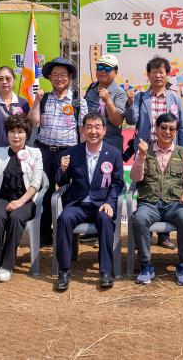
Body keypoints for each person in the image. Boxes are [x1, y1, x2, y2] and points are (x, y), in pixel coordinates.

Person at [53, 113, 124, 291]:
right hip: (77, 204)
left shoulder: (114, 154)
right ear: (83, 129)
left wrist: (110, 202)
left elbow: (117, 183)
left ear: (104, 130)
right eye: (89, 127)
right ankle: (63, 270)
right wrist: (62, 170)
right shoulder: (73, 152)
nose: (93, 131)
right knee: (64, 219)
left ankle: (105, 271)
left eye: (97, 127)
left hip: (101, 204)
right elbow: (62, 182)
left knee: (106, 220)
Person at [125, 56, 183, 249]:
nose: (158, 75)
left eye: (161, 72)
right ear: (148, 75)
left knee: (169, 187)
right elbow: (131, 119)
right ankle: (145, 230)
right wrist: (129, 103)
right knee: (146, 188)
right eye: (154, 72)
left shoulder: (175, 98)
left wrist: (182, 152)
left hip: (169, 151)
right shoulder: (141, 97)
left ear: (167, 75)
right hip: (146, 150)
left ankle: (164, 236)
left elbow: (182, 127)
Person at [130, 113, 183, 286]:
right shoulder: (145, 150)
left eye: (172, 129)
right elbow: (135, 178)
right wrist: (142, 156)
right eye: (164, 128)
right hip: (149, 203)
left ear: (176, 131)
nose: (167, 132)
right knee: (139, 219)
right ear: (156, 129)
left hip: (175, 203)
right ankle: (146, 265)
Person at [0, 115, 43, 283]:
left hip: (26, 200)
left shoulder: (35, 153)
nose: (16, 136)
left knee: (16, 217)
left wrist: (20, 202)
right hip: (3, 197)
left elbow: (36, 183)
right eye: (12, 131)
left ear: (27, 134)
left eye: (20, 132)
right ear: (7, 134)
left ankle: (6, 265)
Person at [29, 57, 87, 246]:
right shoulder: (44, 98)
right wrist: (36, 101)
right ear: (49, 77)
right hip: (44, 151)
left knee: (68, 193)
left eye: (63, 75)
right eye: (55, 75)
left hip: (69, 152)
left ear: (70, 77)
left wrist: (82, 155)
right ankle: (44, 234)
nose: (59, 78)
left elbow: (83, 131)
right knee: (43, 192)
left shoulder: (79, 101)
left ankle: (68, 236)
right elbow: (33, 122)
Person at [82, 54, 129, 154]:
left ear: (115, 72)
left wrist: (107, 101)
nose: (102, 71)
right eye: (100, 67)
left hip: (110, 144)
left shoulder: (120, 92)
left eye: (107, 68)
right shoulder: (92, 86)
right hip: (89, 142)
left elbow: (117, 122)